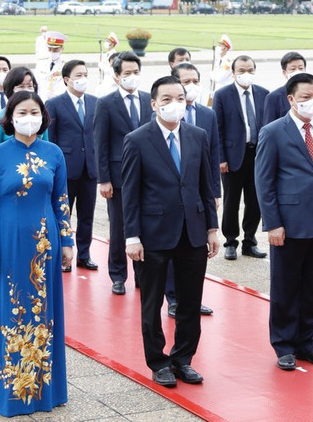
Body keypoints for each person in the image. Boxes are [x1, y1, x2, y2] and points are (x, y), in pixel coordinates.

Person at [0, 91, 73, 415]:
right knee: (10, 308)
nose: (29, 117)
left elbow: (62, 200)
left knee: (44, 312)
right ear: (10, 116)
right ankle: (9, 392)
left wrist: (68, 241)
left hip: (45, 246)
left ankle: (45, 391)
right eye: (22, 111)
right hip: (6, 243)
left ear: (43, 117)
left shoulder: (54, 153)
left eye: (35, 111)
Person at [122, 76, 220, 387]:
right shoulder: (137, 140)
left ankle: (183, 359)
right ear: (153, 104)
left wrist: (212, 227)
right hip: (153, 234)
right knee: (152, 303)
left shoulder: (198, 135)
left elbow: (206, 185)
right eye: (166, 99)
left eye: (179, 97)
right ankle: (158, 361)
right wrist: (132, 236)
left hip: (192, 230)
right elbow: (131, 192)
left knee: (190, 302)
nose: (173, 103)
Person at [255, 73, 313, 371]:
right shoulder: (273, 131)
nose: (312, 102)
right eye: (306, 97)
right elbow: (264, 182)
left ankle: (307, 341)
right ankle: (283, 344)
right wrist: (273, 223)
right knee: (285, 285)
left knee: (312, 285)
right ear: (291, 99)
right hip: (289, 222)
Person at [93, 51, 152, 294]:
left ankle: (142, 274)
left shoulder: (149, 99)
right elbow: (101, 143)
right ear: (117, 76)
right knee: (119, 227)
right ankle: (118, 275)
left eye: (136, 72)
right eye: (127, 73)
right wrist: (104, 179)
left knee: (145, 227)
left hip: (148, 175)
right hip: (118, 177)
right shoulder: (106, 103)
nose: (132, 77)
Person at [166, 61, 220, 317]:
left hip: (197, 193)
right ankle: (173, 298)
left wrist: (215, 192)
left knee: (194, 249)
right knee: (172, 246)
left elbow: (213, 156)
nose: (191, 86)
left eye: (195, 81)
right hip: (169, 195)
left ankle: (192, 298)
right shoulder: (161, 114)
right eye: (185, 82)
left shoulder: (207, 114)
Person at [213, 55, 268, 260]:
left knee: (255, 200)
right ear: (233, 73)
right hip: (233, 155)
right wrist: (221, 158)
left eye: (250, 70)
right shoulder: (222, 95)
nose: (246, 74)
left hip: (258, 155)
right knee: (231, 200)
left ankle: (250, 241)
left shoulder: (263, 94)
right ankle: (230, 241)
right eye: (241, 71)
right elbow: (217, 128)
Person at [46, 59, 99, 272]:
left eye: (85, 74)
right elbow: (51, 139)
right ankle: (63, 255)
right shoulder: (55, 104)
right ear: (67, 79)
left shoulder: (96, 102)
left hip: (90, 168)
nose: (83, 79)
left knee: (87, 215)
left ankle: (84, 255)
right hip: (66, 169)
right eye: (78, 76)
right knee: (63, 214)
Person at [0, 67, 48, 150]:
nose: (26, 90)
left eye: (30, 86)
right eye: (21, 86)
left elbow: (46, 145)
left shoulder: (40, 114)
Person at [261, 51, 313, 126]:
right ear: (285, 73)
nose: (297, 71)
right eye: (293, 69)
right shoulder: (274, 97)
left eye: (301, 68)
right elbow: (269, 128)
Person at [35, 31, 67, 100]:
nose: (52, 52)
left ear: (62, 49)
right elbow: (36, 83)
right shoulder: (41, 63)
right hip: (41, 100)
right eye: (49, 49)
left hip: (58, 101)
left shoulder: (66, 66)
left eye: (55, 49)